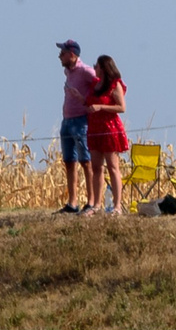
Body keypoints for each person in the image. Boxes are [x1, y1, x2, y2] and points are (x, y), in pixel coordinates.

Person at [56, 40, 99, 213]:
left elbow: (100, 86)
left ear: (72, 55)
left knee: (86, 161)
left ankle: (91, 201)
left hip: (81, 121)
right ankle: (72, 202)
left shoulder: (86, 71)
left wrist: (88, 102)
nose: (60, 56)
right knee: (69, 161)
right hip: (67, 120)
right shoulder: (68, 71)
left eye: (63, 53)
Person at [86, 55, 131, 216]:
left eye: (96, 66)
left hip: (109, 129)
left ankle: (117, 205)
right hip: (94, 128)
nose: (94, 69)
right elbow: (89, 102)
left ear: (103, 68)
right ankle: (96, 204)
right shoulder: (94, 84)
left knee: (113, 167)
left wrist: (101, 107)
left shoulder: (115, 84)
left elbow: (121, 107)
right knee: (96, 167)